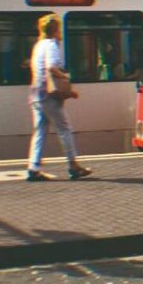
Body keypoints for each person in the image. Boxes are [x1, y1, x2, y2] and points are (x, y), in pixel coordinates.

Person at [26, 14, 92, 182]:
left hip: (35, 95)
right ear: (55, 30)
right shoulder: (51, 45)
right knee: (65, 130)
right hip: (49, 96)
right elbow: (51, 67)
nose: (60, 32)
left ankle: (33, 168)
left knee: (40, 131)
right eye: (59, 29)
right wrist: (65, 78)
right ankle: (73, 166)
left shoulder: (38, 45)